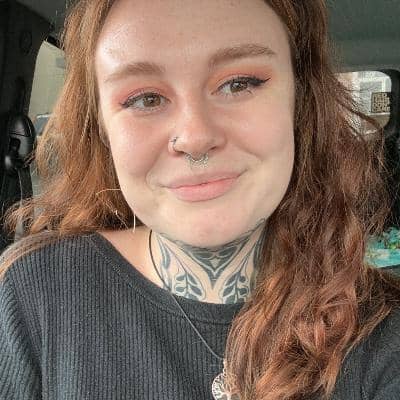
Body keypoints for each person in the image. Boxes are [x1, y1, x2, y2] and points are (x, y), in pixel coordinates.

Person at [1, 0, 400, 399]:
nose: (195, 137)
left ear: (300, 102)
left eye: (239, 83)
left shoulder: (383, 330)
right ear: (103, 128)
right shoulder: (33, 295)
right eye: (145, 99)